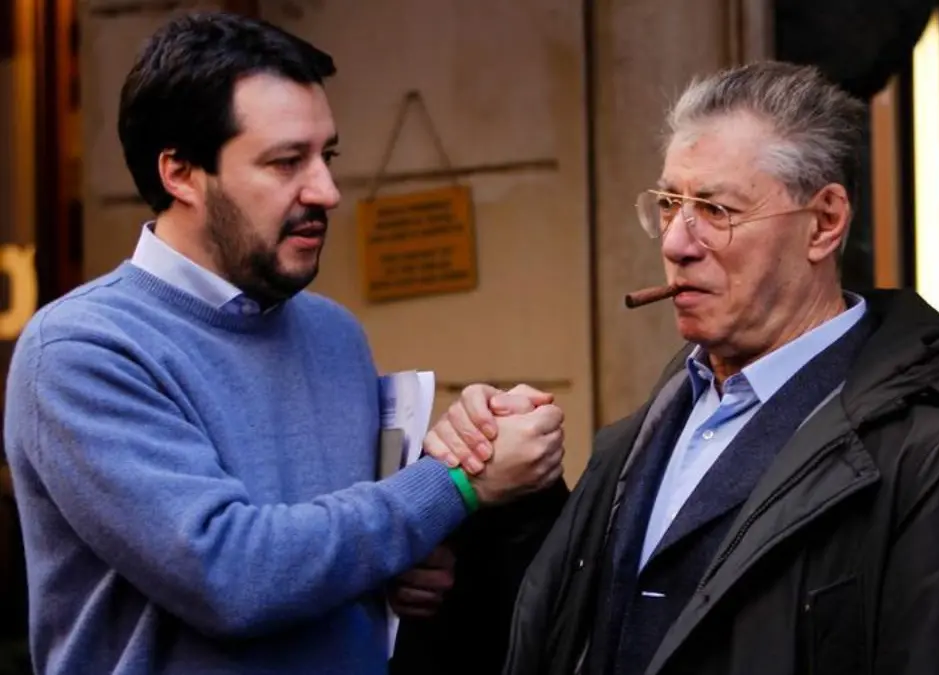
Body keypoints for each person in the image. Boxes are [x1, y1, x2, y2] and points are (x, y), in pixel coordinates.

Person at [427, 61, 939, 674]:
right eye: (669, 204)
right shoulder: (646, 432)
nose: (676, 244)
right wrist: (507, 504)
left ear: (824, 223)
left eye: (716, 210)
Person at [2, 12, 565, 675]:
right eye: (286, 161)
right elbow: (230, 574)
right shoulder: (80, 350)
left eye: (327, 157)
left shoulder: (334, 334)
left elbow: (341, 543)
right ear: (181, 173)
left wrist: (415, 550)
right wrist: (456, 483)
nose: (326, 191)